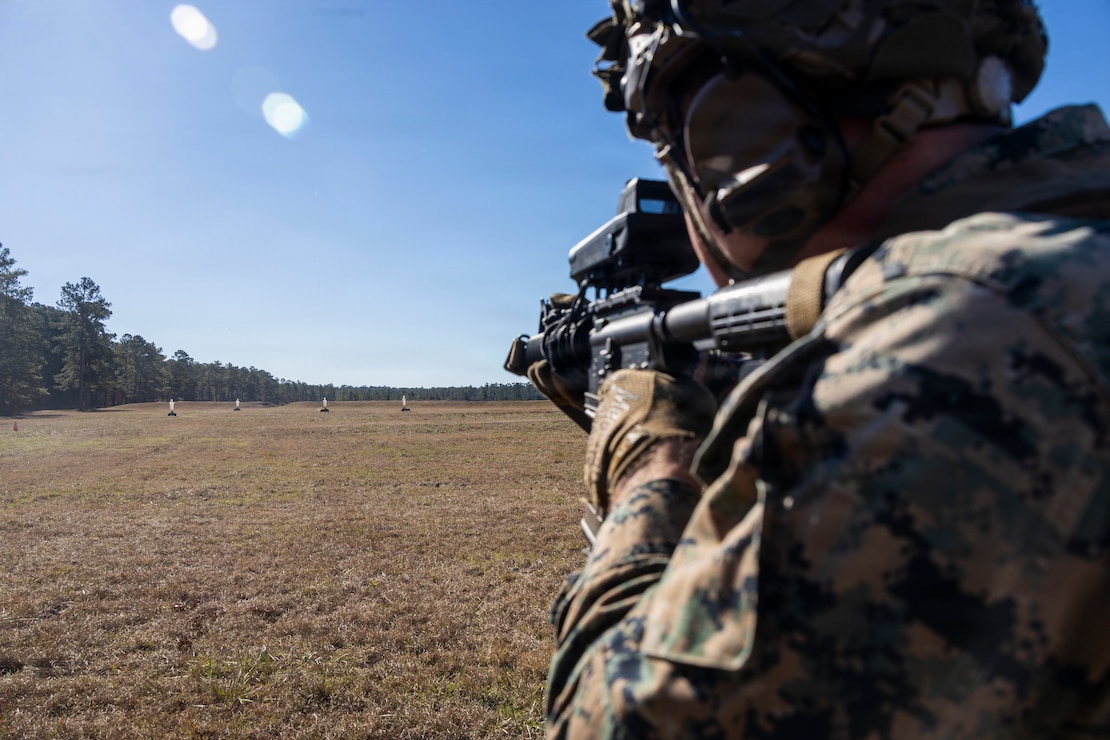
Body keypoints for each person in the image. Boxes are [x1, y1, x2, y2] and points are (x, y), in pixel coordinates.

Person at [530, 1, 1110, 736]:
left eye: (671, 140)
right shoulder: (1061, 261)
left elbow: (616, 722)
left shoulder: (958, 350)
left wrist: (649, 472)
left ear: (733, 126)